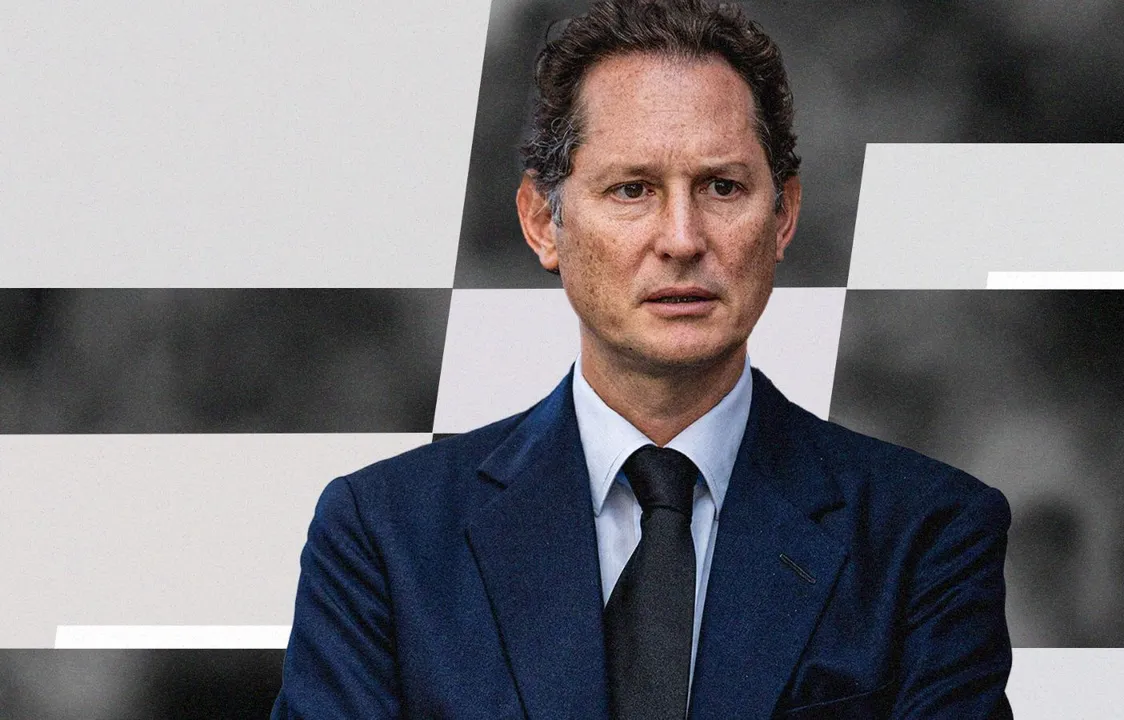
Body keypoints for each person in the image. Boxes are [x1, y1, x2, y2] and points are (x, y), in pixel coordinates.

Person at [272, 1, 1014, 717]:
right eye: (633, 189)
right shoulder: (385, 537)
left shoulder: (926, 536)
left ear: (783, 215)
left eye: (722, 187)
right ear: (543, 222)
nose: (682, 238)